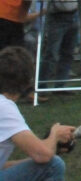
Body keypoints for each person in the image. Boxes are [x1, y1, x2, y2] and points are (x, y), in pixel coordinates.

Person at [0, 46, 75, 180]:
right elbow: (43, 156)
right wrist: (55, 134)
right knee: (54, 164)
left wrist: (51, 149)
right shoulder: (4, 107)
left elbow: (4, 167)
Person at [38, 0, 79, 92]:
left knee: (68, 52)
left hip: (73, 13)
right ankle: (41, 85)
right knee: (52, 52)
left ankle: (60, 85)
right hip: (57, 15)